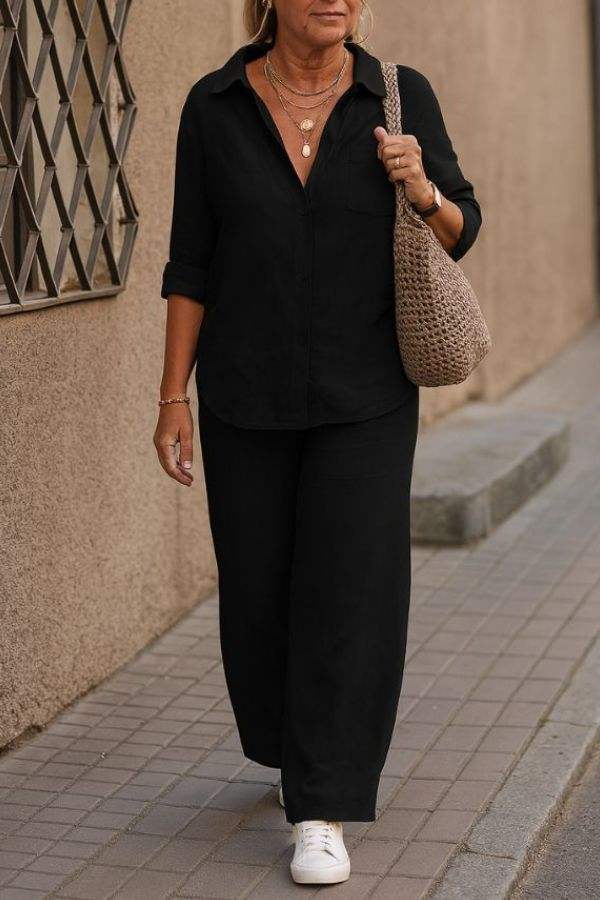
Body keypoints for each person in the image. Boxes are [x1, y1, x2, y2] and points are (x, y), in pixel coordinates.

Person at [154, 0, 482, 886]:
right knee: (258, 596)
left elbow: (463, 228)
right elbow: (191, 260)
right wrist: (170, 393)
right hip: (244, 397)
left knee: (350, 593)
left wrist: (421, 187)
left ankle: (323, 804)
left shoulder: (398, 96)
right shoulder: (213, 105)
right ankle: (291, 752)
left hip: (365, 397)